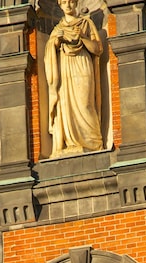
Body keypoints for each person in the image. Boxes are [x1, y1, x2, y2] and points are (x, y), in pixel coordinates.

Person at [44, 0, 104, 157]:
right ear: (60, 5)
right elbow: (49, 51)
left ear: (76, 3)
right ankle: (70, 143)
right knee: (65, 106)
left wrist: (82, 37)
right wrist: (56, 41)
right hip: (64, 67)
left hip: (82, 64)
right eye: (64, 2)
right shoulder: (58, 29)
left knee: (85, 103)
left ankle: (92, 143)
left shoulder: (86, 23)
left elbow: (97, 49)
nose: (68, 5)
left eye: (71, 1)